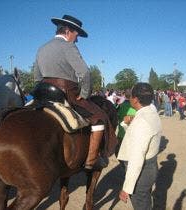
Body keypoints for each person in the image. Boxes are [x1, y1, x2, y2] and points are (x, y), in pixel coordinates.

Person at [34, 14, 117, 171]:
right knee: (99, 118)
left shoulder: (41, 48)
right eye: (76, 35)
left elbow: (37, 77)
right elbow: (85, 72)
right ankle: (92, 161)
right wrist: (85, 93)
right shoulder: (68, 46)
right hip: (65, 93)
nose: (77, 39)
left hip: (43, 93)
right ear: (67, 31)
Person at [117, 83, 162, 210]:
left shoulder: (141, 121)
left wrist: (126, 188)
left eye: (130, 96)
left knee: (141, 203)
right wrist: (128, 124)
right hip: (150, 166)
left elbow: (136, 159)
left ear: (135, 99)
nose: (129, 98)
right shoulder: (151, 111)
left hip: (142, 170)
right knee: (145, 199)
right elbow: (137, 137)